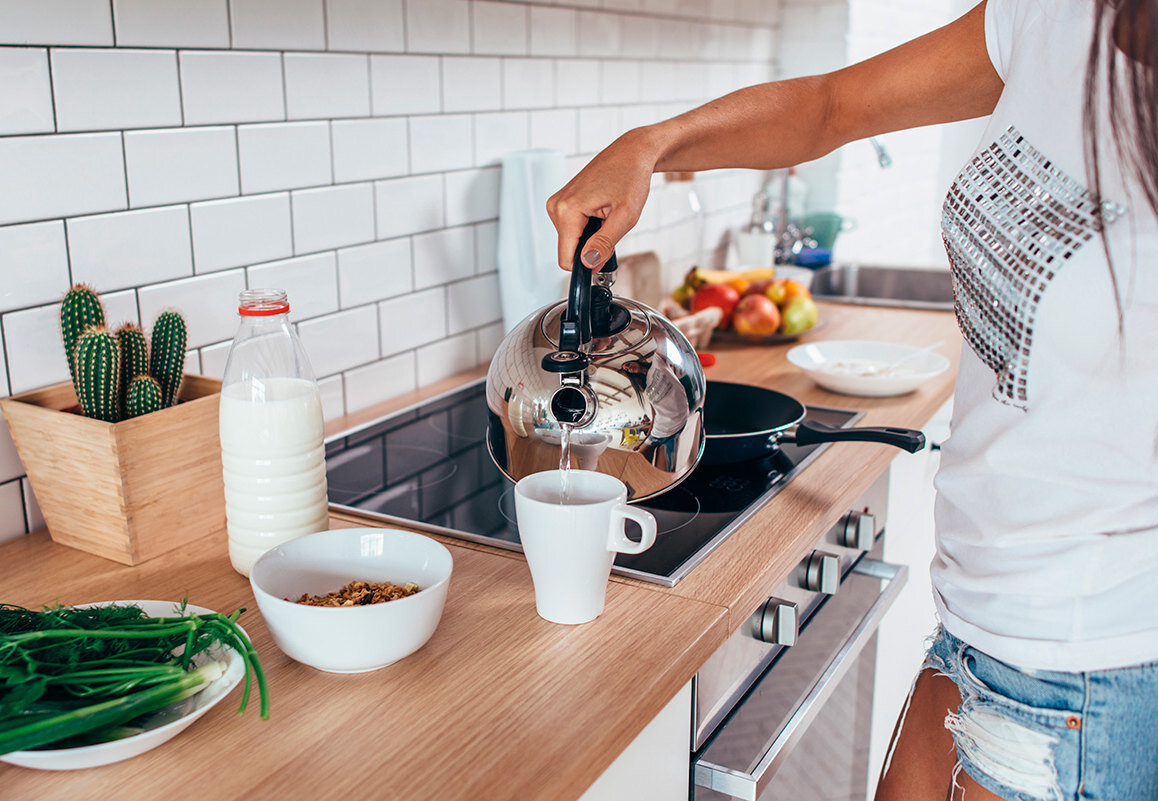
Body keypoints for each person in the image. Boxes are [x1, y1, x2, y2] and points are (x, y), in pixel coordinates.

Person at [546, 2, 1158, 800]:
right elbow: (833, 105)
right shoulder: (1051, 15)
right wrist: (650, 146)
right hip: (975, 622)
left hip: (1089, 664)